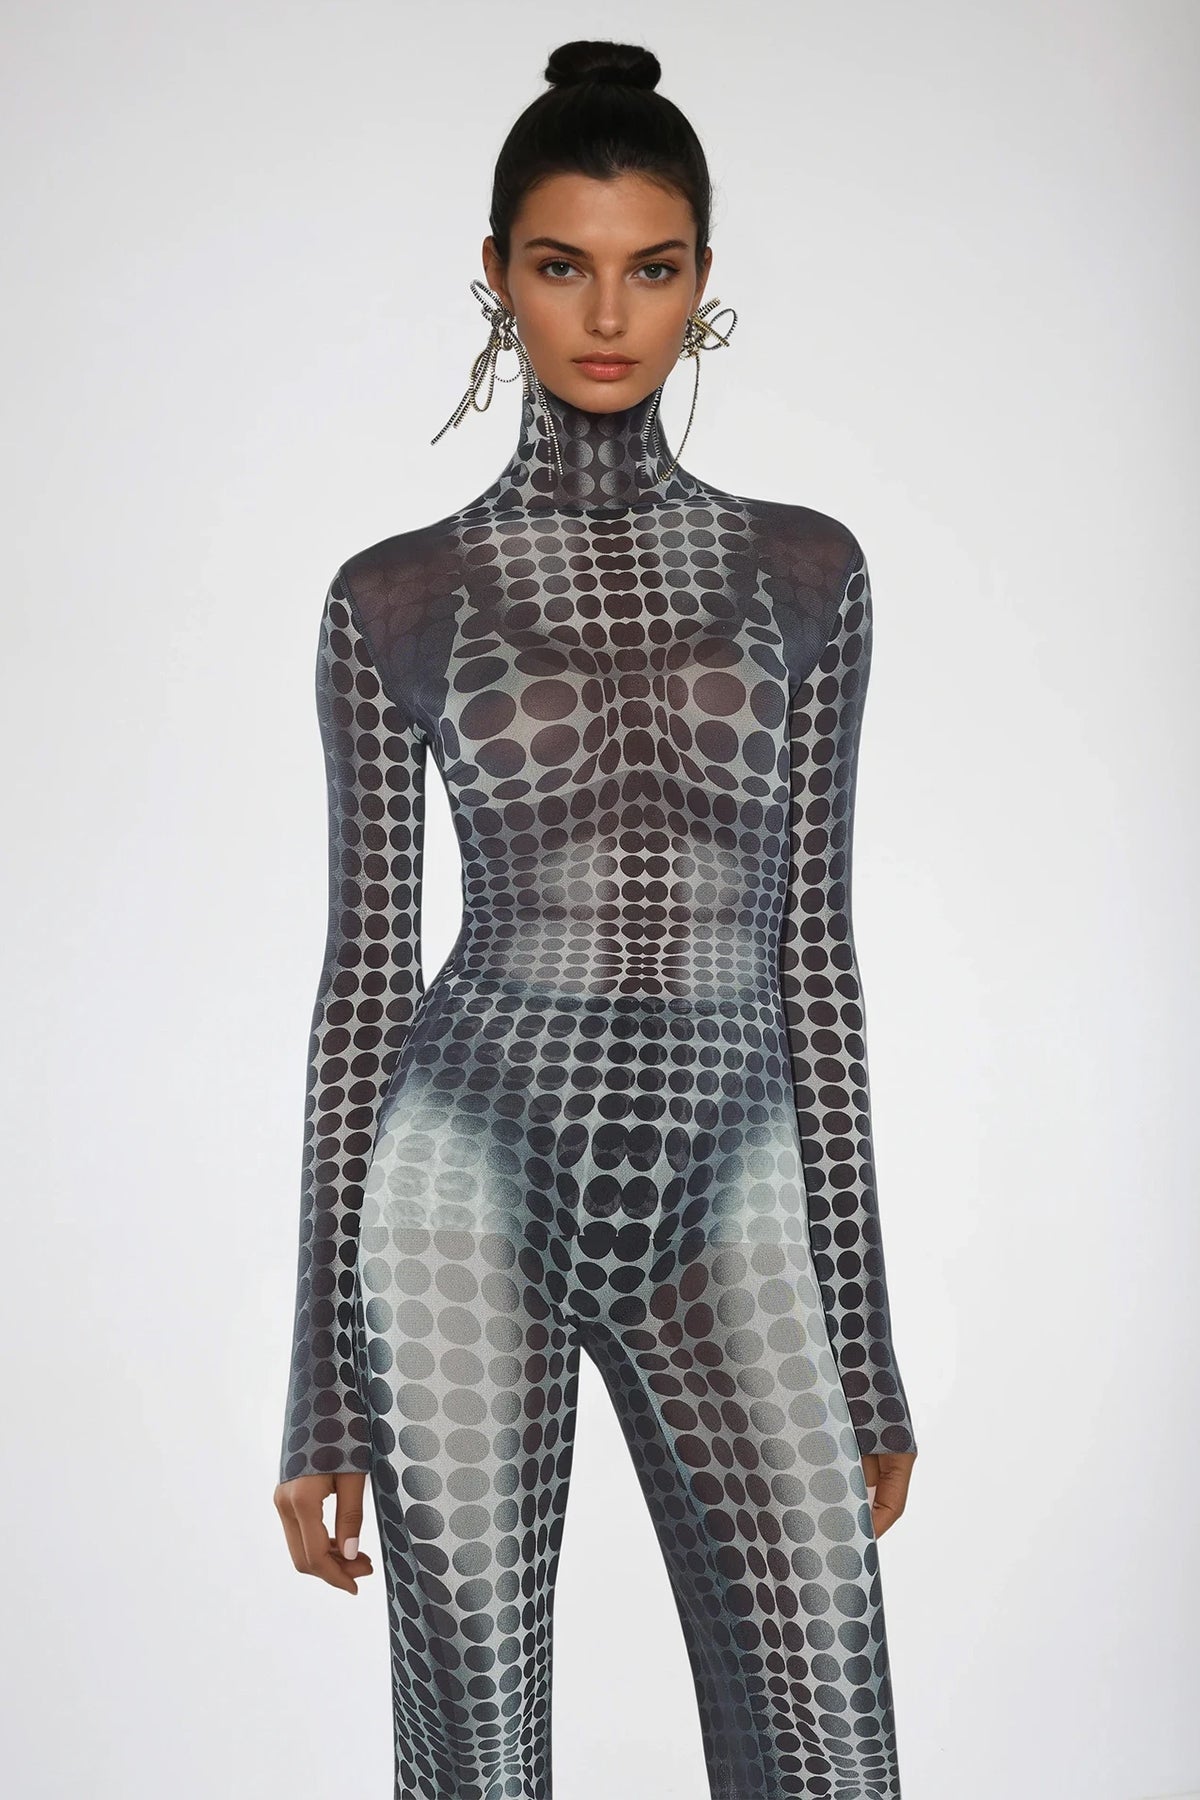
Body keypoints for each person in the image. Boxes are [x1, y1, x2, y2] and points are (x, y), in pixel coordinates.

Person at [274, 35, 918, 1800]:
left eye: (654, 267)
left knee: (829, 1734)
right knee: (472, 1740)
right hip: (462, 1173)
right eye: (563, 266)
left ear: (706, 278)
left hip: (736, 1166)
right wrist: (320, 1386)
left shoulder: (808, 572)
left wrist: (861, 1347)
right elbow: (363, 983)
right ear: (496, 273)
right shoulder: (395, 595)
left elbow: (813, 962)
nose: (610, 315)